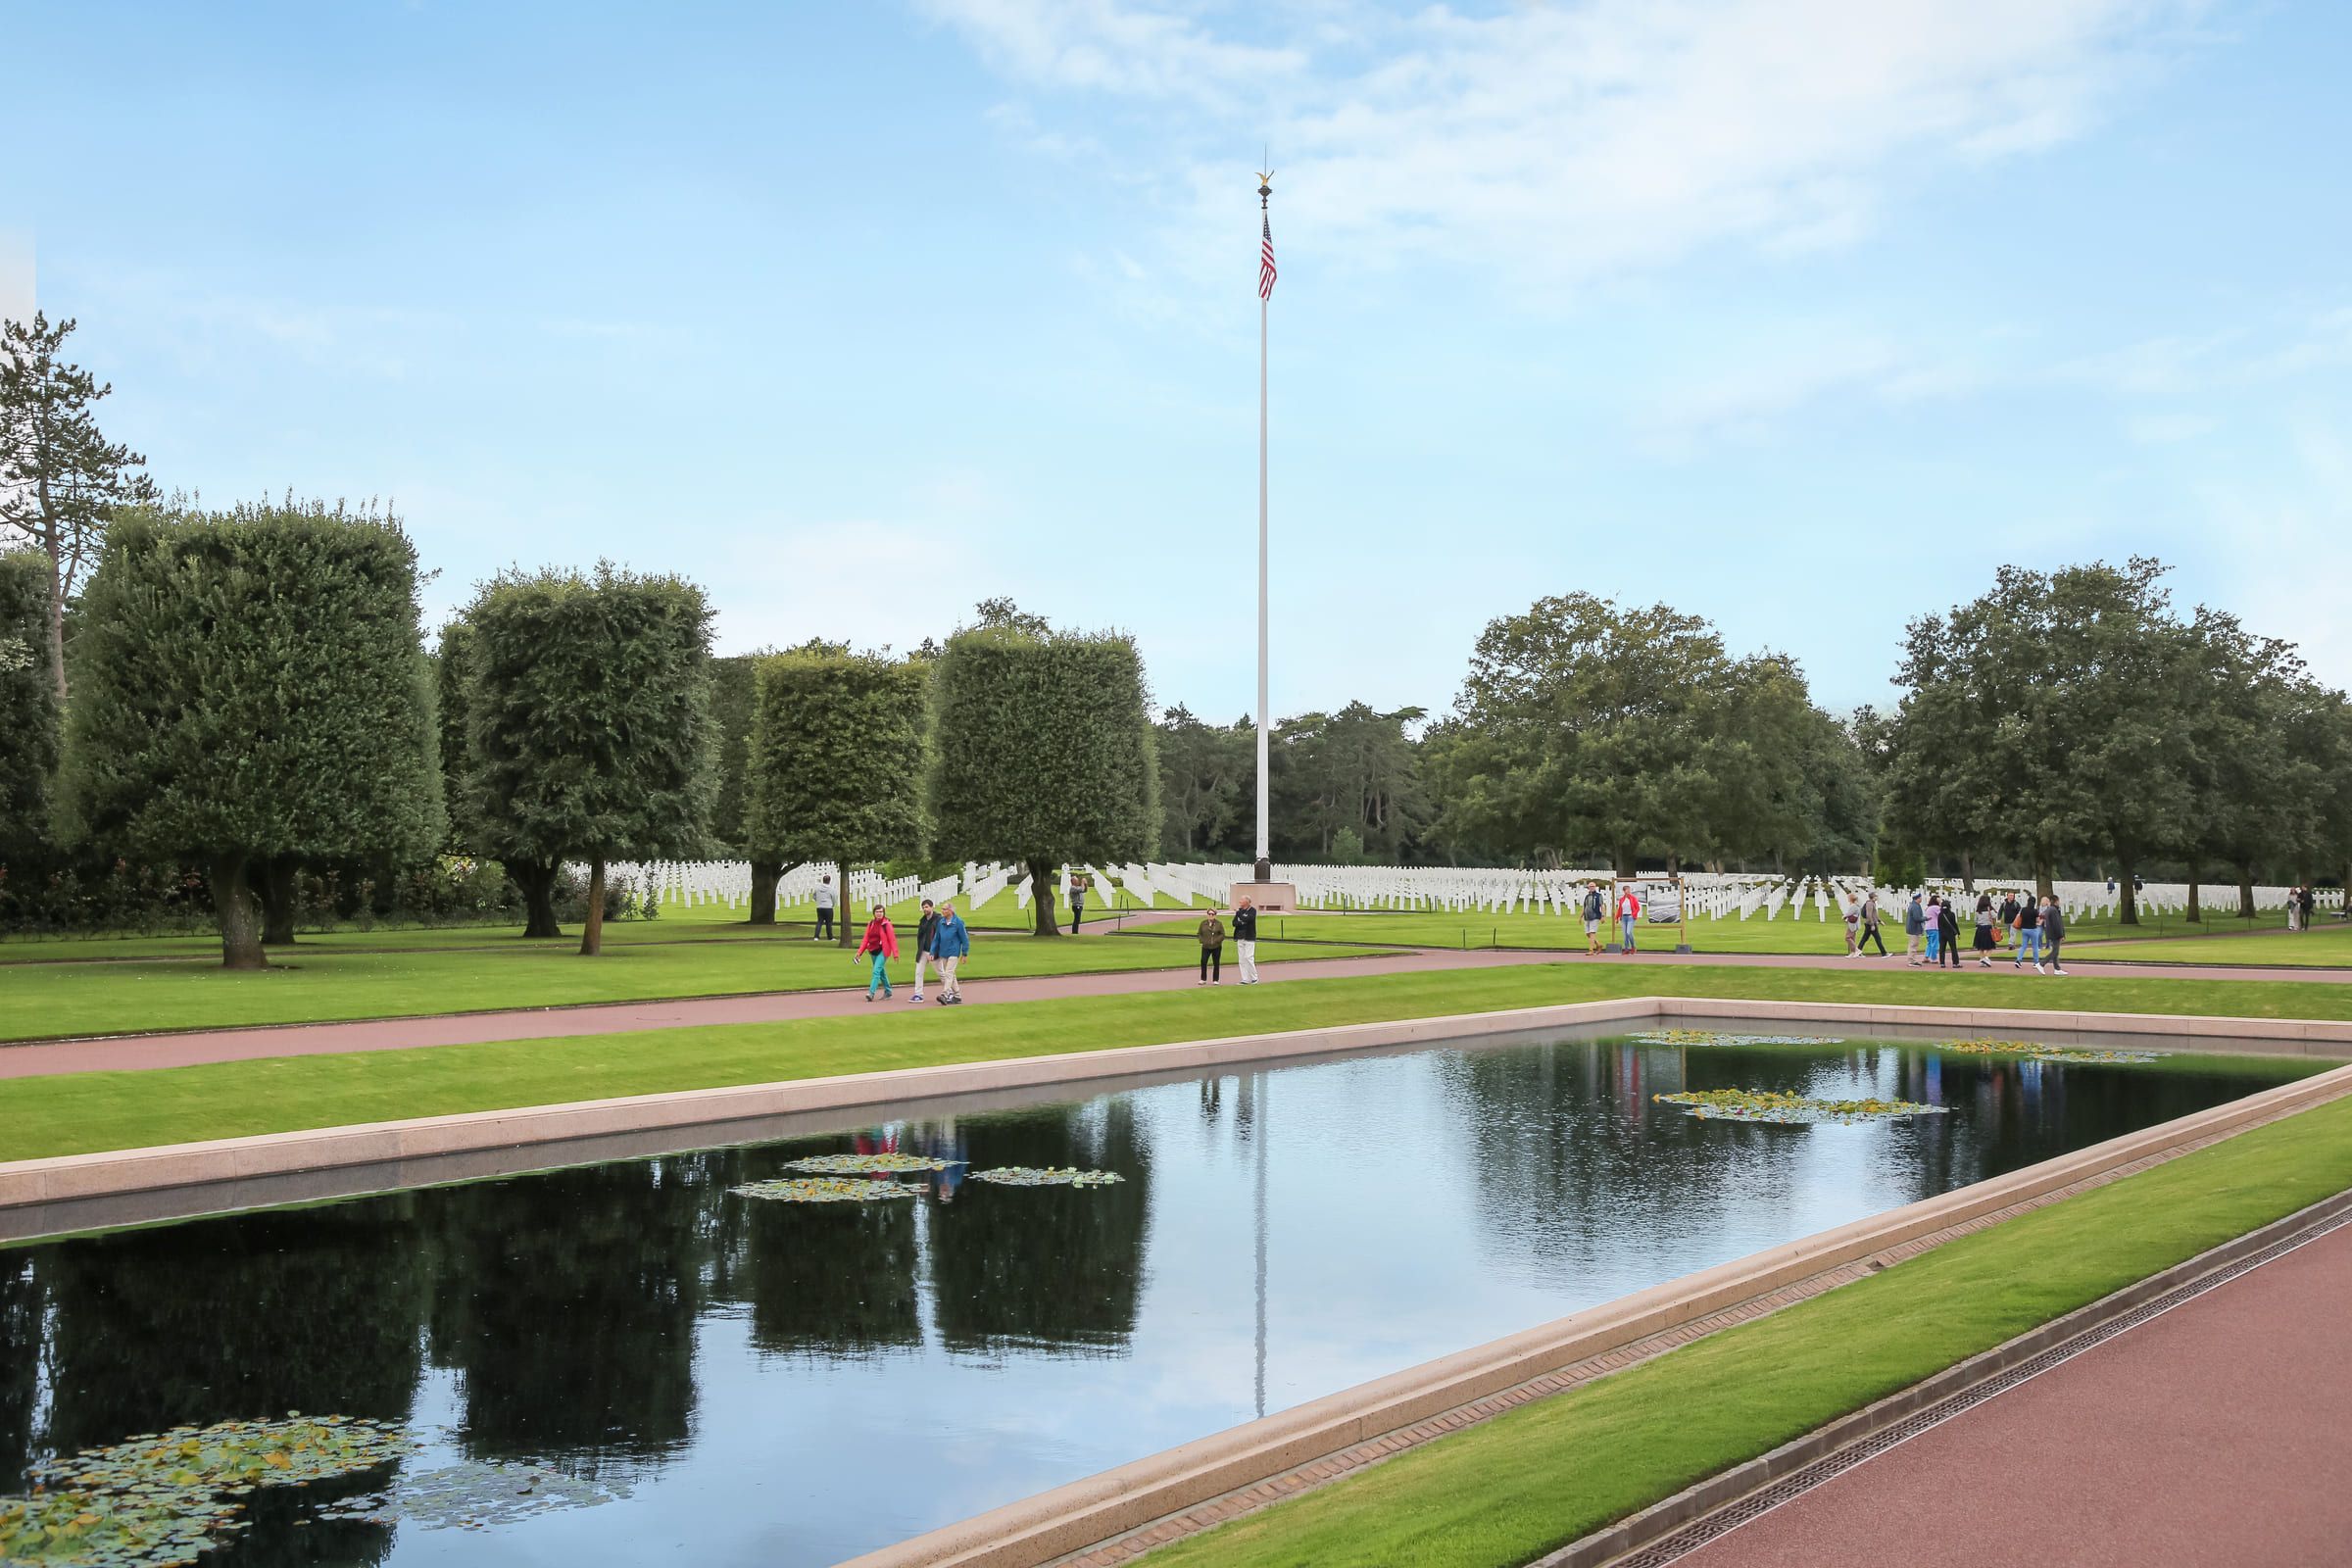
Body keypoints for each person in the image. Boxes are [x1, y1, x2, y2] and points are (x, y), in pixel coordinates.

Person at [854, 903, 899, 1001]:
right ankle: (888, 991)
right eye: (877, 912)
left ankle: (871, 993)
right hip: (873, 950)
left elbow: (892, 939)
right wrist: (859, 952)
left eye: (881, 912)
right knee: (881, 972)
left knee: (876, 971)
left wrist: (895, 953)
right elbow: (866, 939)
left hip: (883, 950)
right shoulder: (871, 924)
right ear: (874, 913)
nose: (879, 913)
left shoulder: (887, 925)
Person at [929, 899, 969, 1004]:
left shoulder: (958, 923)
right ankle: (957, 996)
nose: (942, 911)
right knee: (951, 974)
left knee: (948, 973)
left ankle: (945, 994)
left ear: (951, 911)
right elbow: (936, 938)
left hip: (953, 952)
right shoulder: (941, 922)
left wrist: (964, 953)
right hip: (943, 952)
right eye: (942, 909)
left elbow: (964, 939)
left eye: (945, 909)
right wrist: (932, 952)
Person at [910, 898, 940, 1002]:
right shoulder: (923, 920)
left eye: (927, 907)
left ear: (932, 907)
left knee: (940, 972)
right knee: (918, 972)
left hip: (933, 951)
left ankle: (949, 992)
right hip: (923, 950)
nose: (925, 909)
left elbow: (939, 936)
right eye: (923, 907)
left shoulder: (938, 919)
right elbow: (920, 935)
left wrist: (936, 950)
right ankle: (918, 994)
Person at [1232, 897, 1260, 984]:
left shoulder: (1252, 910)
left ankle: (1254, 978)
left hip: (1249, 937)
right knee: (1241, 959)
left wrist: (1239, 914)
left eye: (1242, 900)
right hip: (1240, 937)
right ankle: (1245, 979)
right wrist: (1241, 921)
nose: (1240, 901)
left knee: (1249, 957)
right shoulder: (1240, 911)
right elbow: (1234, 923)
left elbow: (1249, 919)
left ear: (1247, 902)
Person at [2013, 891, 2042, 970]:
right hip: (2033, 929)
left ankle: (2018, 960)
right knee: (2035, 947)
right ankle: (2036, 962)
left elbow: (2021, 918)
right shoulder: (2035, 911)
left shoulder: (2023, 910)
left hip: (2024, 929)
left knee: (2023, 946)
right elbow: (2037, 921)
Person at [2040, 894, 2067, 974]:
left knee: (2056, 952)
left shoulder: (2052, 909)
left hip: (2052, 933)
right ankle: (2042, 964)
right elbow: (2057, 924)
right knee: (2055, 951)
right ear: (2056, 901)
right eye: (2058, 901)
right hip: (2054, 934)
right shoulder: (2053, 910)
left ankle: (2057, 969)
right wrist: (2061, 935)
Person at [1197, 908, 1226, 984]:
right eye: (1209, 914)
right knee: (1203, 961)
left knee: (1216, 962)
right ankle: (1203, 979)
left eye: (1212, 914)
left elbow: (1222, 934)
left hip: (1216, 946)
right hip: (1206, 946)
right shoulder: (1203, 923)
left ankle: (1215, 979)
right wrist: (1202, 941)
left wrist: (1217, 941)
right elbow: (1199, 933)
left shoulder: (1219, 924)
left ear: (1215, 915)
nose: (1210, 915)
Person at [1972, 891, 1998, 967]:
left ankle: (1982, 960)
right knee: (1990, 946)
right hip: (1988, 928)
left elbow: (1975, 921)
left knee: (1981, 946)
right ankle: (1986, 958)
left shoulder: (1978, 911)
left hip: (1979, 929)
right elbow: (1994, 917)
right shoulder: (1990, 910)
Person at [1858, 889, 1886, 956]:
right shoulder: (1869, 903)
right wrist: (1872, 924)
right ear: (1873, 897)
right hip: (1870, 924)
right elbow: (1869, 915)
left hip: (1872, 923)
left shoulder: (1873, 903)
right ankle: (1884, 953)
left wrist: (1880, 921)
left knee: (1865, 938)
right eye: (1876, 896)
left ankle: (1858, 951)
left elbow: (1875, 915)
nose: (1877, 897)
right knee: (1878, 939)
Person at [1616, 882, 1642, 953]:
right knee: (1625, 934)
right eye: (1627, 890)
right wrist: (1617, 917)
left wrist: (1634, 914)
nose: (1628, 892)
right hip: (1623, 917)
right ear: (1624, 891)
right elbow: (1620, 909)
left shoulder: (1633, 898)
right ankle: (1626, 948)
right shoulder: (1622, 899)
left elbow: (1637, 908)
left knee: (1628, 932)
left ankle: (1633, 946)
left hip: (1630, 917)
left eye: (1629, 890)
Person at [1936, 896, 1961, 969]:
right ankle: (1955, 963)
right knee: (1953, 948)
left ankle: (1942, 963)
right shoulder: (1952, 914)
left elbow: (1939, 925)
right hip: (1950, 933)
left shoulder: (1940, 915)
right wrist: (1958, 933)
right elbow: (1954, 924)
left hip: (1942, 934)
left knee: (1942, 949)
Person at [1582, 883, 1605, 955]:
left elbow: (1602, 906)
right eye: (1590, 886)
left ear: (1595, 887)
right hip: (1587, 916)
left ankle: (1591, 950)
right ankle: (1598, 944)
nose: (1591, 887)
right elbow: (1585, 907)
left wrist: (1603, 916)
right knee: (1587, 933)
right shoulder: (1587, 896)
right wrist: (1581, 917)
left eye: (1593, 886)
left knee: (1592, 933)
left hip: (1595, 916)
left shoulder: (1598, 896)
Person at [812, 874, 837, 942]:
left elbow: (814, 896)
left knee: (819, 922)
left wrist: (819, 901)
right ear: (829, 881)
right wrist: (833, 904)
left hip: (820, 907)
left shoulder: (817, 888)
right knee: (829, 923)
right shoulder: (831, 889)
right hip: (828, 907)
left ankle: (816, 937)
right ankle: (830, 937)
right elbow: (834, 898)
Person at [1904, 892, 1926, 965]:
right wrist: (1925, 918)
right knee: (1913, 945)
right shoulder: (1915, 906)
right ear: (1918, 898)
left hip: (1913, 928)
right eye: (1920, 897)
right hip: (1914, 928)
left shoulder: (1913, 905)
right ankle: (1911, 961)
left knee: (1913, 945)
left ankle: (1912, 959)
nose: (1921, 898)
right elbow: (1917, 918)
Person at [1923, 894, 1942, 965]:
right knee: (1935, 943)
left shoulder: (1928, 907)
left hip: (1928, 927)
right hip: (1934, 927)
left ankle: (1926, 956)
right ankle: (1934, 958)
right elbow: (1941, 915)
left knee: (1930, 943)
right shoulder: (1936, 908)